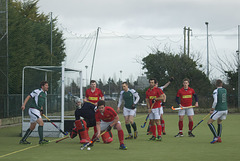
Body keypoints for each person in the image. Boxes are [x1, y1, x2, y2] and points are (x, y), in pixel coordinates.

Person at [207, 79, 228, 144]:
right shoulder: (225, 90)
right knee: (219, 122)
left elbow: (215, 101)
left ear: (216, 84)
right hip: (225, 109)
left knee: (209, 122)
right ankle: (219, 137)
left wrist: (212, 109)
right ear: (222, 84)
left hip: (219, 109)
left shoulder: (216, 91)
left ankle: (216, 137)